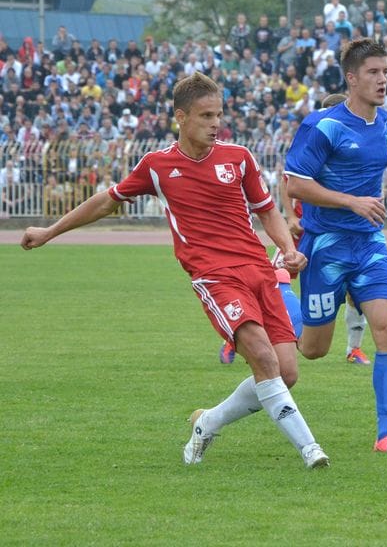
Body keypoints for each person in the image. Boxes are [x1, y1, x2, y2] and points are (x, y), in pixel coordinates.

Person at [20, 72, 330, 469]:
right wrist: (49, 231)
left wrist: (287, 249)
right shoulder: (158, 165)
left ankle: (208, 423)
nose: (216, 123)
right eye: (205, 116)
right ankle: (311, 450)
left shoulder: (238, 158)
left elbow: (267, 211)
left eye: (219, 114)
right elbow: (105, 202)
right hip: (214, 277)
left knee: (285, 374)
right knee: (264, 361)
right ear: (180, 117)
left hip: (258, 270)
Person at [284, 38, 387, 455]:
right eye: (374, 72)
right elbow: (295, 182)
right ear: (352, 77)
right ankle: (280, 291)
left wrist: (365, 205)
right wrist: (350, 202)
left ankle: (386, 434)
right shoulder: (322, 125)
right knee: (313, 350)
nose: (383, 80)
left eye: (386, 71)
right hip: (325, 246)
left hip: (368, 242)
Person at [220, 92, 371, 366]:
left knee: (355, 292)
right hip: (303, 232)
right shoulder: (313, 141)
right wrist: (290, 216)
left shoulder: (354, 149)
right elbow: (287, 180)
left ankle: (354, 349)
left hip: (340, 237)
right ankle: (235, 336)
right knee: (271, 280)